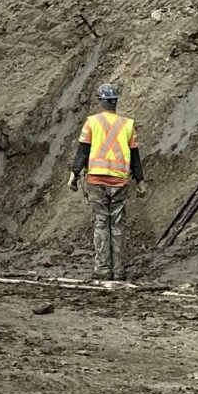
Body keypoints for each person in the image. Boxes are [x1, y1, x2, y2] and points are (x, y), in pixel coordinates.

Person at [69, 82, 143, 280]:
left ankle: (102, 270)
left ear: (100, 102)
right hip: (119, 181)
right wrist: (140, 181)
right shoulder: (127, 124)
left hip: (96, 180)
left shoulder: (92, 122)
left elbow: (83, 151)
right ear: (115, 102)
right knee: (117, 225)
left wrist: (74, 175)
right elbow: (135, 155)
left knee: (101, 223)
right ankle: (118, 271)